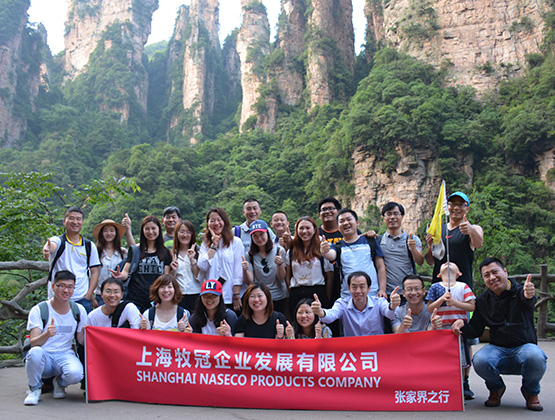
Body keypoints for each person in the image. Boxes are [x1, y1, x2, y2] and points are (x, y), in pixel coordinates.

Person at [452, 257, 547, 411]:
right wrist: (461, 324)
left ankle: (531, 392)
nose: (492, 278)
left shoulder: (520, 291)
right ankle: (496, 388)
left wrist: (530, 295)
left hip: (524, 347)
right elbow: (475, 329)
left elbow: (528, 299)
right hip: (498, 349)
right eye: (486, 275)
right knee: (480, 360)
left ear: (505, 271)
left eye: (495, 272)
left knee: (535, 356)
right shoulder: (483, 301)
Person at [23, 270, 88, 405]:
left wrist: (86, 333)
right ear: (53, 287)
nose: (66, 290)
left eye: (70, 287)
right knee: (35, 353)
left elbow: (81, 341)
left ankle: (59, 383)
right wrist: (47, 334)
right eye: (62, 286)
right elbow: (34, 343)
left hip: (64, 355)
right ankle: (34, 388)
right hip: (44, 356)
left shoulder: (78, 310)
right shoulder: (39, 310)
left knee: (76, 374)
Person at [427, 262, 476, 399]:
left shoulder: (463, 286)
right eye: (444, 264)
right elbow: (429, 308)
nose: (447, 264)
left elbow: (471, 306)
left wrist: (455, 303)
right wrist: (441, 299)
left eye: (452, 264)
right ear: (438, 274)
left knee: (461, 359)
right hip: (441, 328)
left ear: (459, 273)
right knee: (441, 358)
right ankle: (443, 385)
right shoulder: (435, 287)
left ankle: (462, 384)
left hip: (458, 328)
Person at [43, 206, 101, 313]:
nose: (75, 222)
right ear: (64, 221)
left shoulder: (89, 245)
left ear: (82, 222)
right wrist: (47, 249)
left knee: (82, 324)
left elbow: (94, 271)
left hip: (81, 298)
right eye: (71, 218)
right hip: (57, 298)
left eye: (78, 219)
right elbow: (52, 245)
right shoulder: (59, 241)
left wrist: (88, 295)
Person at [109, 215, 173, 312]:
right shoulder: (136, 251)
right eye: (147, 229)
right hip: (135, 299)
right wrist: (120, 275)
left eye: (153, 228)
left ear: (159, 230)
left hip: (156, 300)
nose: (150, 232)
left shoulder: (165, 252)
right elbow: (126, 271)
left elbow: (165, 277)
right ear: (142, 231)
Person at [321, 209, 387, 298]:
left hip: (372, 294)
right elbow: (331, 255)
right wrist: (325, 251)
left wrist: (382, 290)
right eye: (341, 221)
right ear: (338, 227)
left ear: (357, 223)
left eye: (349, 219)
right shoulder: (337, 246)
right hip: (348, 296)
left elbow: (381, 267)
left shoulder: (370, 242)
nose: (345, 223)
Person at [311, 271, 401, 337]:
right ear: (349, 289)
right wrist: (320, 311)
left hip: (376, 349)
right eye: (354, 287)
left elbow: (390, 314)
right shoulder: (342, 303)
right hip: (352, 350)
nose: (358, 291)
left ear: (369, 288)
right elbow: (331, 316)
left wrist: (393, 306)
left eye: (362, 287)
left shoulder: (378, 302)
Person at [425, 192, 483, 289]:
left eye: (461, 204)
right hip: (439, 286)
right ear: (447, 207)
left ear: (467, 209)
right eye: (452, 204)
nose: (456, 208)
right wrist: (430, 246)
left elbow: (478, 244)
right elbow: (430, 261)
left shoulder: (474, 228)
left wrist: (471, 230)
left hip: (462, 287)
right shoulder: (439, 230)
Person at [198, 207, 244, 312]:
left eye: (219, 220)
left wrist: (236, 294)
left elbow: (238, 270)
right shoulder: (206, 244)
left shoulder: (235, 242)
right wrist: (213, 247)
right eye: (212, 220)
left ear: (225, 221)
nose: (216, 223)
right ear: (208, 224)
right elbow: (202, 266)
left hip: (229, 295)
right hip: (211, 296)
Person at [286, 216, 333, 316]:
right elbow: (288, 276)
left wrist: (327, 297)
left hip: (317, 292)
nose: (304, 231)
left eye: (308, 228)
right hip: (297, 293)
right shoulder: (291, 251)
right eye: (301, 228)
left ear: (315, 229)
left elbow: (329, 276)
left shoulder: (321, 249)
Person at [243, 219, 288, 314]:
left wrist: (280, 264)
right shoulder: (249, 255)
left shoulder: (279, 250)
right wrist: (245, 270)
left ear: (267, 233)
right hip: (260, 299)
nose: (259, 238)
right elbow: (250, 281)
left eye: (261, 234)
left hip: (279, 296)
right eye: (255, 236)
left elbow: (281, 278)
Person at [378, 202, 423, 296]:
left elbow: (420, 262)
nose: (392, 217)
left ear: (402, 216)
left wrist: (413, 249)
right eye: (388, 214)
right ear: (383, 218)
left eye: (396, 213)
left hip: (407, 293)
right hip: (385, 293)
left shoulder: (412, 239)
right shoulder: (378, 240)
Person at [92, 219, 127, 307]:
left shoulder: (123, 253)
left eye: (111, 230)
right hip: (100, 295)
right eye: (105, 231)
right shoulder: (95, 253)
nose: (109, 233)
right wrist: (92, 297)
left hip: (118, 296)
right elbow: (90, 274)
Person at [171, 220, 202, 311]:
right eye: (182, 232)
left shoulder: (199, 253)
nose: (185, 235)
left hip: (196, 293)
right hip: (178, 295)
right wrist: (174, 270)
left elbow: (199, 276)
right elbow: (169, 279)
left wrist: (192, 260)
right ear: (177, 234)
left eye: (188, 232)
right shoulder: (172, 254)